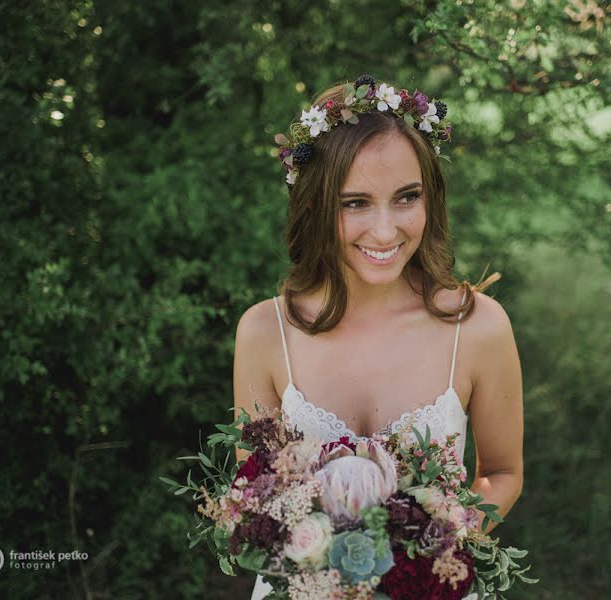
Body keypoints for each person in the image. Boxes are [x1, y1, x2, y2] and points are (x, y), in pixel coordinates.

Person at [232, 75, 523, 599]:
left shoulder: (479, 327)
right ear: (317, 205)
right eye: (355, 203)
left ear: (430, 198)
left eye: (406, 197)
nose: (386, 232)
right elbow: (257, 494)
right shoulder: (263, 332)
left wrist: (426, 556)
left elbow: (501, 473)